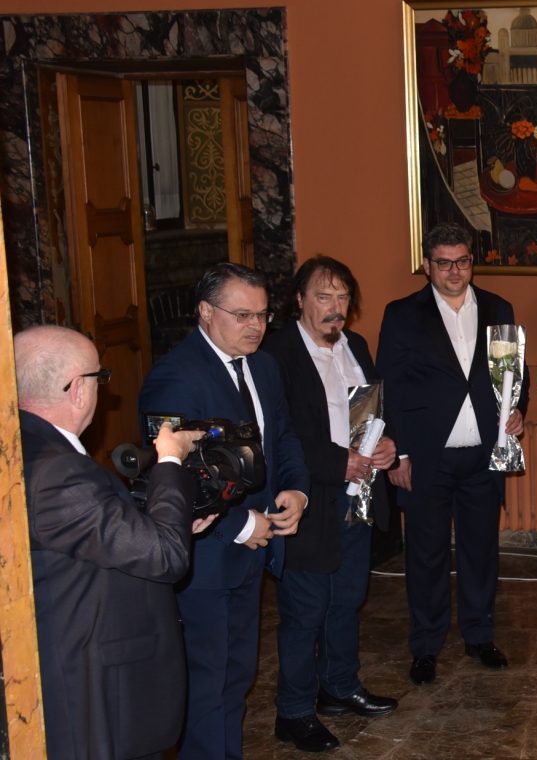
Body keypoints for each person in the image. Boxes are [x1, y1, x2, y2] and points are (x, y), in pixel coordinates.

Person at [139, 262, 312, 759]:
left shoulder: (264, 366)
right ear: (205, 312)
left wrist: (296, 490)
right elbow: (171, 472)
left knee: (237, 674)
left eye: (262, 315)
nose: (255, 326)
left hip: (251, 550)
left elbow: (282, 435)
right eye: (242, 315)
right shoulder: (175, 376)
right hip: (207, 555)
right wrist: (240, 524)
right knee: (207, 682)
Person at [19, 325, 208, 760]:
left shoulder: (26, 446)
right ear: (78, 389)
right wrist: (170, 460)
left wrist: (171, 521)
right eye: (100, 377)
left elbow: (91, 533)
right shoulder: (57, 469)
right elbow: (166, 557)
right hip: (95, 680)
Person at [377, 222, 526, 685]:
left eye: (462, 261)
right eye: (444, 263)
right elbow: (389, 387)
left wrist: (517, 411)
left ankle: (480, 636)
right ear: (427, 265)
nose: (454, 271)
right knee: (426, 554)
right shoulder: (402, 314)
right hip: (426, 456)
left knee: (482, 551)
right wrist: (398, 454)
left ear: (471, 261)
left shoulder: (499, 308)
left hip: (483, 454)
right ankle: (426, 646)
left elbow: (512, 375)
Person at [262, 256, 399, 751]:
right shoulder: (277, 353)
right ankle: (294, 711)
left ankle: (339, 687)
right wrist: (337, 462)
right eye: (324, 297)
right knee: (305, 609)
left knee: (347, 598)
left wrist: (387, 447)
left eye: (342, 298)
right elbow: (279, 433)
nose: (335, 307)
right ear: (300, 300)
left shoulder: (354, 345)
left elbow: (373, 412)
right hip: (308, 498)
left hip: (359, 494)